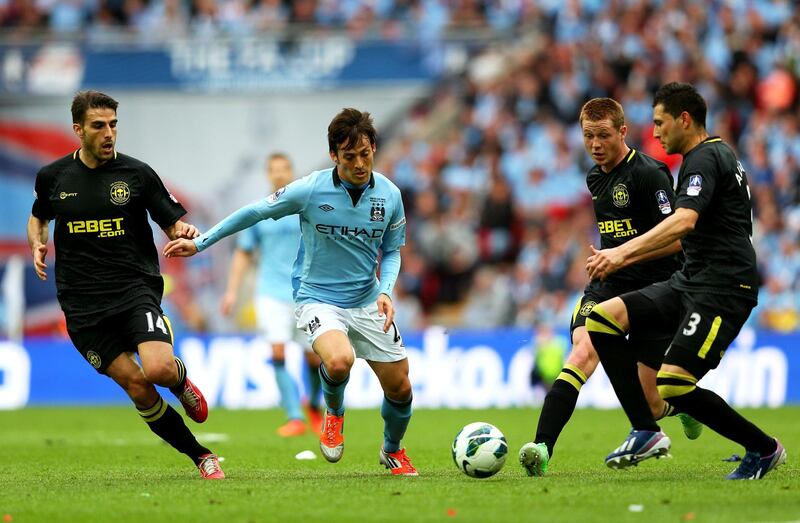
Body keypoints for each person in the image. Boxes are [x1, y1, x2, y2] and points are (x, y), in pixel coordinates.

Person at [165, 108, 418, 476]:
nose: (360, 164)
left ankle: (392, 450)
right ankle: (333, 412)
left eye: (366, 154)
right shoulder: (311, 188)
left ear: (374, 149)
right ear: (334, 155)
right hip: (318, 298)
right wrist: (201, 242)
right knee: (337, 360)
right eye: (350, 157)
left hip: (367, 300)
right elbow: (253, 212)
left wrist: (386, 291)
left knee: (401, 389)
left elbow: (392, 250)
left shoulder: (389, 196)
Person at [585, 82, 786, 479]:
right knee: (602, 319)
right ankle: (644, 428)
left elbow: (683, 222)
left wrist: (621, 253)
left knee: (674, 383)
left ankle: (763, 449)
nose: (655, 132)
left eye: (660, 123)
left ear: (684, 120)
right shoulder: (707, 156)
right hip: (690, 279)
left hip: (723, 287)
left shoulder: (706, 157)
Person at [27, 90, 224, 479]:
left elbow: (172, 223)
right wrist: (37, 241)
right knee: (137, 386)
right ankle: (201, 456)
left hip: (134, 289)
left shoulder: (137, 174)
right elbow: (39, 217)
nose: (109, 133)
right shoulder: (53, 177)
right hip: (81, 305)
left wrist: (181, 230)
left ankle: (180, 379)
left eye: (114, 125)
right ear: (78, 129)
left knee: (158, 370)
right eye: (99, 126)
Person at [519, 97, 702, 477]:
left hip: (654, 288)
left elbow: (677, 240)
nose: (596, 144)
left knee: (652, 403)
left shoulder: (650, 175)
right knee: (582, 352)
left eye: (603, 135)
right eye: (588, 136)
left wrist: (622, 255)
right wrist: (609, 259)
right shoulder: (594, 176)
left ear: (622, 131)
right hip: (607, 284)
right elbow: (614, 234)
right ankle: (541, 447)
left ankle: (678, 408)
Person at [220, 152, 323, 437]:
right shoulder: (260, 211)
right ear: (268, 174)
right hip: (270, 293)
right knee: (277, 351)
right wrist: (231, 292)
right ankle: (294, 417)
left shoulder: (306, 208)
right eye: (274, 170)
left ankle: (314, 405)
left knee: (314, 358)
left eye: (284, 169)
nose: (279, 174)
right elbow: (243, 254)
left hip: (306, 293)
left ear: (292, 171)